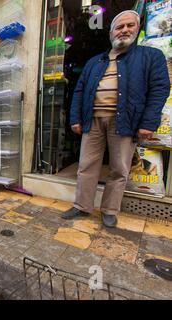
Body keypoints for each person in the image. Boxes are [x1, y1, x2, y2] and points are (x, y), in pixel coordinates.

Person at [62, 10, 170, 228]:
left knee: (119, 168)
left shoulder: (150, 57)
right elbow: (79, 90)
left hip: (126, 120)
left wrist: (148, 123)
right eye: (119, 27)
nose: (125, 30)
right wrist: (75, 118)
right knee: (86, 165)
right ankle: (82, 206)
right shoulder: (95, 61)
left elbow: (159, 89)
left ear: (137, 28)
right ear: (111, 32)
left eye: (130, 26)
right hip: (92, 119)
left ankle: (109, 210)